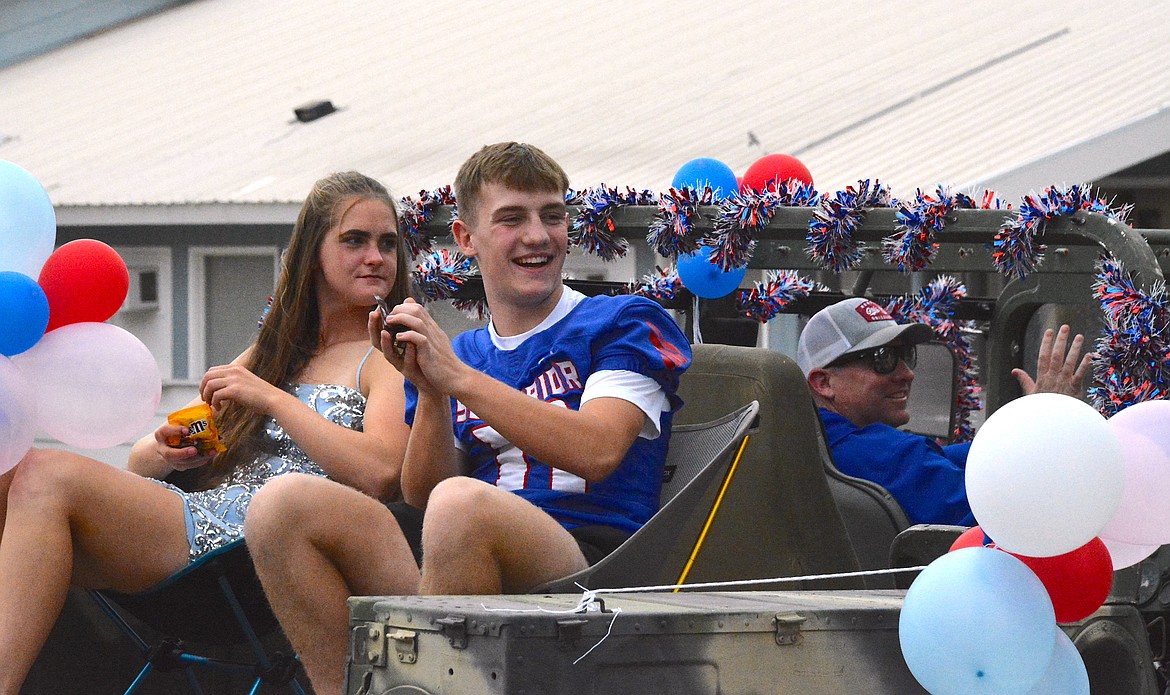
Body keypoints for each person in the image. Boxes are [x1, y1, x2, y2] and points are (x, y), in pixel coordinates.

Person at [244, 142, 692, 693]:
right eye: (511, 219)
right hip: (460, 564)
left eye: (553, 216)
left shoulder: (621, 320)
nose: (537, 235)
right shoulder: (468, 353)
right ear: (465, 240)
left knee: (463, 504)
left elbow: (596, 450)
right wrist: (430, 393)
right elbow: (422, 492)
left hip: (588, 569)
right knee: (282, 504)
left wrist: (455, 378)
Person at [0, 171, 413, 693]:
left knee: (44, 472)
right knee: (8, 479)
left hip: (251, 555)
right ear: (312, 253)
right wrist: (175, 450)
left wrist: (272, 398)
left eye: (387, 244)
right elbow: (144, 462)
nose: (375, 257)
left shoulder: (386, 358)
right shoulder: (274, 351)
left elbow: (380, 473)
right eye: (354, 240)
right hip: (196, 526)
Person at [797, 296, 1091, 526]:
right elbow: (1010, 521)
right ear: (823, 383)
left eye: (906, 356)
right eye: (883, 358)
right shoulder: (888, 457)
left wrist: (1033, 428)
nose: (906, 373)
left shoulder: (797, 444)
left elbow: (950, 458)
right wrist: (1056, 430)